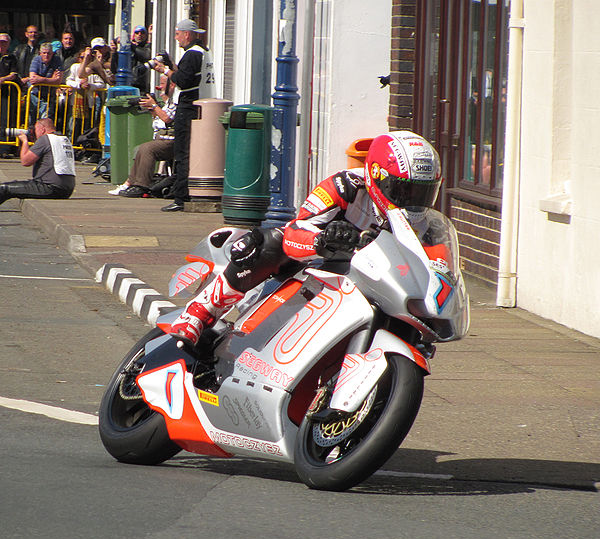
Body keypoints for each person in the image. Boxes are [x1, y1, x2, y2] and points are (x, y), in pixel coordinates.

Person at [168, 130, 443, 346]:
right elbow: (294, 230)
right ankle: (198, 313)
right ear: (376, 176)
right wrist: (323, 240)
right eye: (403, 191)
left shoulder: (425, 225)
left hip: (371, 283)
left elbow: (438, 267)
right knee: (267, 242)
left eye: (422, 193)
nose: (412, 202)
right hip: (314, 266)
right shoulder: (346, 185)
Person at [152, 18, 215, 212]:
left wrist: (166, 71)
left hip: (188, 106)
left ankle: (180, 197)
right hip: (202, 104)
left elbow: (184, 80)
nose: (176, 38)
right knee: (192, 151)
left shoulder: (192, 54)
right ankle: (184, 192)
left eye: (178, 34)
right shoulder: (204, 52)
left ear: (187, 34)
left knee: (182, 151)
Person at [108, 73, 176, 197]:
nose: (159, 87)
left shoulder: (177, 99)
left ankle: (142, 185)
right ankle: (130, 183)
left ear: (171, 85)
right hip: (162, 137)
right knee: (141, 148)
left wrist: (154, 105)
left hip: (173, 140)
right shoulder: (169, 101)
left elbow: (167, 119)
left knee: (147, 149)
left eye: (162, 84)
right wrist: (152, 109)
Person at [0, 118, 76, 205]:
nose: (34, 133)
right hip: (66, 189)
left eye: (35, 129)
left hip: (49, 187)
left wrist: (25, 142)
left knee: (4, 188)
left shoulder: (45, 139)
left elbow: (25, 161)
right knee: (16, 185)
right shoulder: (64, 139)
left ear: (42, 129)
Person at [27, 42, 63, 125]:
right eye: (44, 53)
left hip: (48, 96)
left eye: (49, 53)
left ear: (52, 53)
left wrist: (41, 79)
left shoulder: (57, 60)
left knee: (45, 122)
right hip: (34, 95)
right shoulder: (36, 59)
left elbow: (58, 80)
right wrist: (50, 80)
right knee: (31, 122)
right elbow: (33, 78)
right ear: (40, 53)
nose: (46, 55)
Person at [0, 33, 19, 156]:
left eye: (4, 42)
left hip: (6, 94)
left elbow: (13, 74)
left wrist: (2, 79)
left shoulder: (11, 58)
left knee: (5, 122)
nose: (2, 44)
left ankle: (4, 149)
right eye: (0, 41)